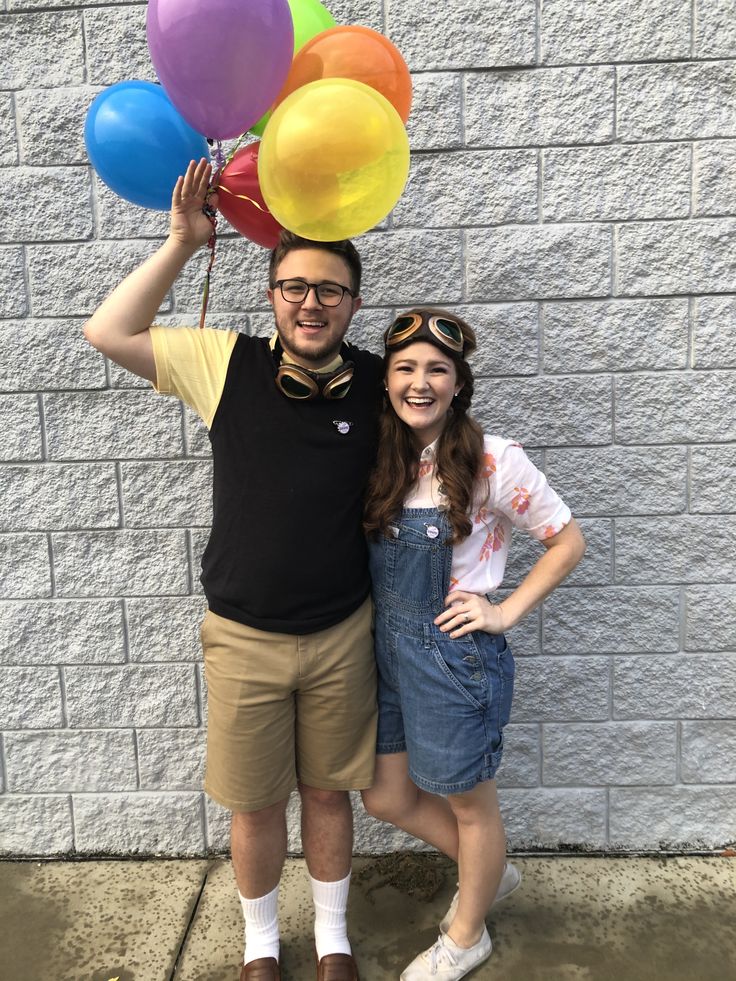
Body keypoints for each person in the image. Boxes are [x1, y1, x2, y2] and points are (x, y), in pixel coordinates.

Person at [83, 159, 384, 981]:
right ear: (271, 295)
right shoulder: (226, 363)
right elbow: (108, 331)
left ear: (354, 303)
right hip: (244, 635)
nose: (311, 301)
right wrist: (182, 243)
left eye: (329, 288)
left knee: (328, 795)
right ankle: (259, 945)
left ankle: (332, 940)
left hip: (341, 630)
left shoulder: (380, 388)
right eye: (294, 286)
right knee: (254, 802)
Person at [361, 308, 586, 980]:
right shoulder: (385, 453)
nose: (420, 382)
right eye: (405, 368)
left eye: (437, 369)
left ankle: (467, 935)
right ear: (388, 379)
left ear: (459, 383)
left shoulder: (495, 459)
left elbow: (566, 541)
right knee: (385, 796)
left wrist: (504, 610)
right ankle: (489, 869)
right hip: (390, 652)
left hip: (453, 661)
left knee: (470, 802)